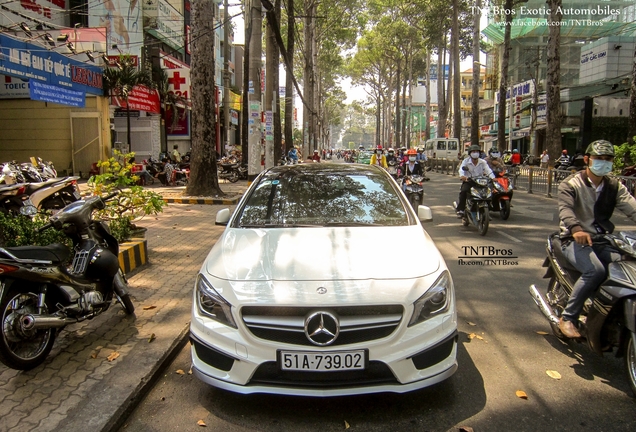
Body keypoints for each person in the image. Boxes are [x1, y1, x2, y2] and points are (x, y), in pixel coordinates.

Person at [557, 140, 636, 338]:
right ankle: (568, 317)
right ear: (587, 160)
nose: (604, 162)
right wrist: (576, 229)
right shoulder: (571, 184)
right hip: (574, 239)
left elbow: (632, 208)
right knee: (595, 270)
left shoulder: (614, 186)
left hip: (603, 239)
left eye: (608, 159)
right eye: (599, 158)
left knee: (626, 266)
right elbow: (565, 209)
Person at [456, 145, 495, 217]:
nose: (475, 153)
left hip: (480, 181)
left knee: (489, 192)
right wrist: (462, 176)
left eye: (477, 151)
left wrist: (493, 177)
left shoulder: (482, 162)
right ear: (470, 153)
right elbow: (461, 169)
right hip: (469, 181)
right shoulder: (466, 161)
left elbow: (488, 170)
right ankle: (461, 209)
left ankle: (487, 210)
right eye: (473, 152)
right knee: (464, 191)